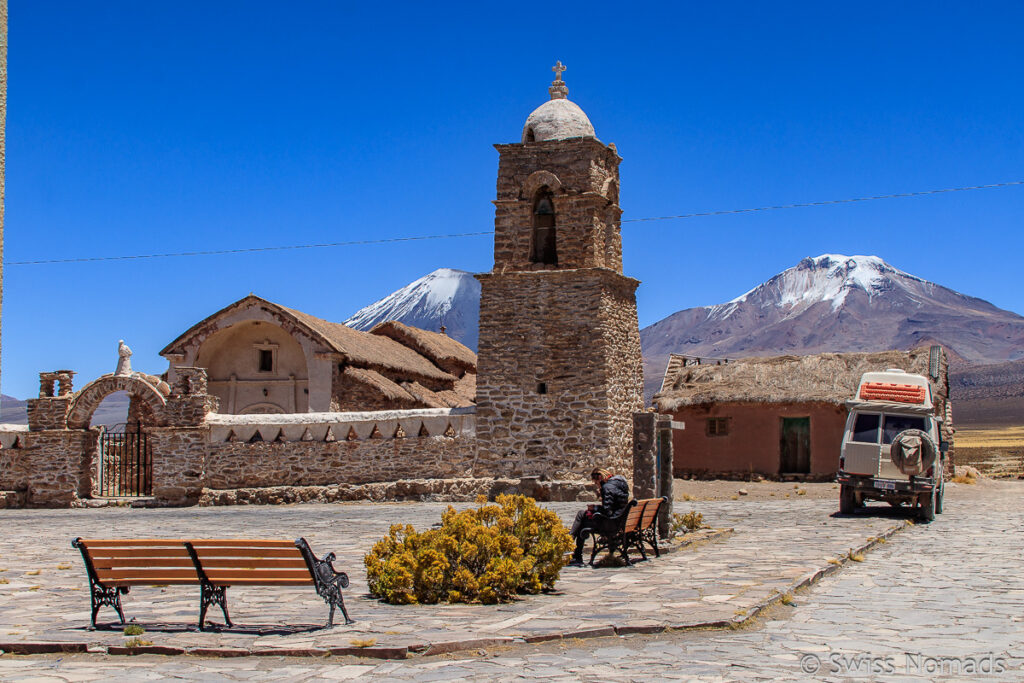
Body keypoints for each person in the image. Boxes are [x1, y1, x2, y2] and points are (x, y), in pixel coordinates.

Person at [568, 467, 631, 566]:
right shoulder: (621, 484)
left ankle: (572, 544)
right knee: (582, 515)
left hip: (610, 524)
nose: (597, 485)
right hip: (620, 520)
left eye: (596, 482)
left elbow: (607, 511)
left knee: (581, 518)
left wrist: (595, 509)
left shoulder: (607, 487)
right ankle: (571, 540)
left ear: (600, 477)